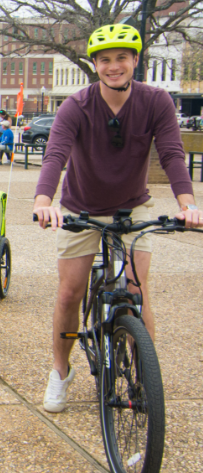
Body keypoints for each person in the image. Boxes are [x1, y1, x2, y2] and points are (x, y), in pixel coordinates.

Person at [33, 24, 203, 413]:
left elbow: (173, 155)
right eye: (105, 59)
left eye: (122, 57)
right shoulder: (77, 105)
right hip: (81, 207)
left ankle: (144, 377)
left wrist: (187, 204)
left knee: (137, 292)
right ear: (95, 64)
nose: (114, 66)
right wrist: (46, 201)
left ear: (135, 60)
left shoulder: (156, 101)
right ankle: (60, 371)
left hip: (133, 205)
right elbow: (55, 155)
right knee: (69, 292)